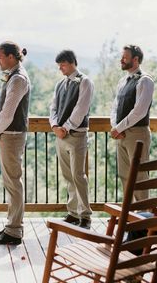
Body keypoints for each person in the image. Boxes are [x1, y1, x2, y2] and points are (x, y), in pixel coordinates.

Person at [0, 41, 30, 245]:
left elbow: (8, 112)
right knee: (11, 181)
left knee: (13, 182)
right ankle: (12, 226)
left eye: (0, 56)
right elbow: (2, 109)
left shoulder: (18, 79)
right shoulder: (14, 76)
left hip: (12, 134)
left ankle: (14, 230)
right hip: (8, 134)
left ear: (11, 57)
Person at [49, 50, 94, 229]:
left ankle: (86, 215)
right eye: (59, 65)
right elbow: (53, 107)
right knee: (68, 176)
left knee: (78, 176)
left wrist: (66, 127)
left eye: (63, 65)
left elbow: (81, 108)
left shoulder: (85, 81)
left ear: (72, 62)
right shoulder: (60, 84)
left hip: (76, 135)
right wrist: (54, 126)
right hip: (60, 135)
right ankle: (73, 212)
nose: (60, 68)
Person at [110, 45, 154, 202]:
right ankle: (129, 215)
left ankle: (142, 218)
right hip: (121, 134)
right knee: (124, 175)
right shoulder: (123, 81)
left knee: (140, 176)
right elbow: (115, 107)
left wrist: (119, 127)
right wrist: (115, 127)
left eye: (125, 57)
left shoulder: (145, 81)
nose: (121, 60)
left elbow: (139, 111)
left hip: (137, 134)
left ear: (136, 59)